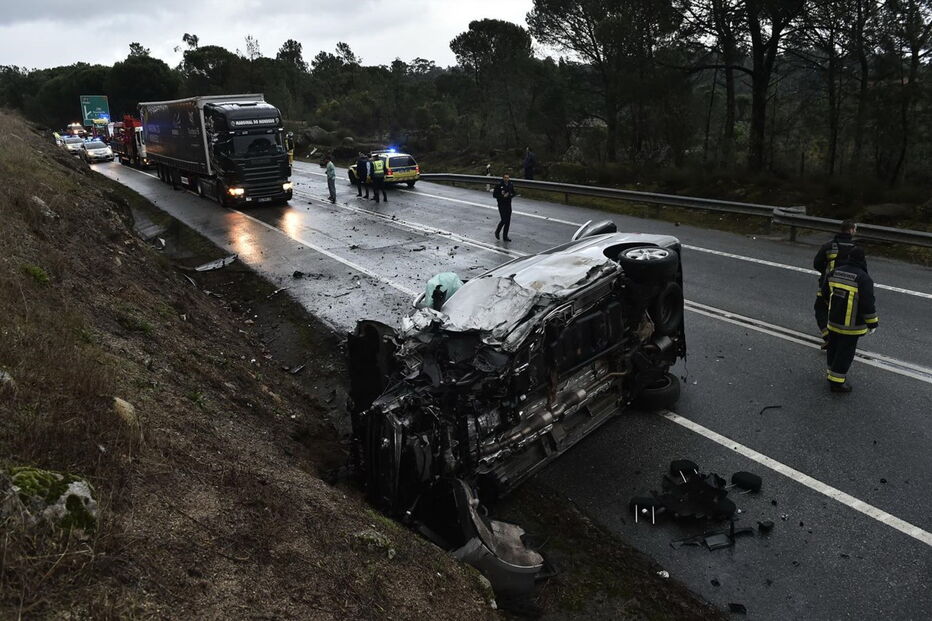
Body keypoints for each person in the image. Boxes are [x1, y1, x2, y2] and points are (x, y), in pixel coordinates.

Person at [821, 246, 878, 393]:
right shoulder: (864, 278)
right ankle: (837, 382)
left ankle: (830, 373)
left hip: (833, 322)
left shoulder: (834, 272)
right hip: (851, 327)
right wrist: (872, 323)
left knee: (833, 349)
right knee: (845, 353)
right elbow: (867, 303)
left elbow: (825, 293)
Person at [813, 220, 859, 348]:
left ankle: (828, 336)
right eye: (855, 229)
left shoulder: (829, 246)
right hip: (849, 288)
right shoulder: (856, 248)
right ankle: (841, 339)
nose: (855, 231)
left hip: (828, 285)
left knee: (821, 309)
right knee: (842, 312)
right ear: (851, 230)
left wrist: (826, 273)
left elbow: (817, 263)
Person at [493, 173, 516, 242]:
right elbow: (494, 195)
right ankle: (497, 231)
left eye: (508, 178)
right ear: (503, 178)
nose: (506, 179)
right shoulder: (499, 185)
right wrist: (502, 196)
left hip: (508, 204)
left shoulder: (510, 184)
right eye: (505, 177)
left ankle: (505, 236)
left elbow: (514, 193)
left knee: (508, 221)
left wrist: (510, 195)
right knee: (503, 219)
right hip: (501, 204)